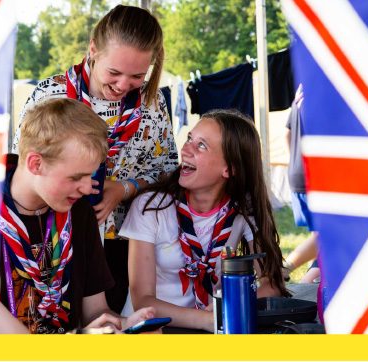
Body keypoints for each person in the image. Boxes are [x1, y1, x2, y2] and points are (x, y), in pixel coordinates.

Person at [12, 5, 178, 314]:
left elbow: (168, 172)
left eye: (137, 76)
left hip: (124, 239)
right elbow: (24, 167)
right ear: (93, 50)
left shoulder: (152, 104)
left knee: (102, 314)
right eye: (114, 72)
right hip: (57, 232)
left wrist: (124, 189)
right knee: (48, 316)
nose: (123, 85)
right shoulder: (51, 95)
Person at [0, 98, 155, 334]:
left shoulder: (79, 211)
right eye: (76, 178)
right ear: (36, 164)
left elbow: (96, 312)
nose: (88, 188)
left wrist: (122, 326)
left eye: (92, 174)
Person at [120, 109, 290, 332]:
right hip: (151, 332)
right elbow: (143, 300)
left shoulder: (243, 207)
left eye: (201, 145)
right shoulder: (151, 206)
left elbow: (272, 282)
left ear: (229, 169)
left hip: (210, 329)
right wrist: (211, 320)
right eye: (189, 138)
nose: (185, 149)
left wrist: (235, 309)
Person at [283, 84, 319, 282]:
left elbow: (286, 134)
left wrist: (294, 162)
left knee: (318, 235)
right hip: (316, 177)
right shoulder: (327, 89)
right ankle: (293, 277)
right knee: (325, 237)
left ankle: (308, 281)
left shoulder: (300, 93)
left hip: (296, 172)